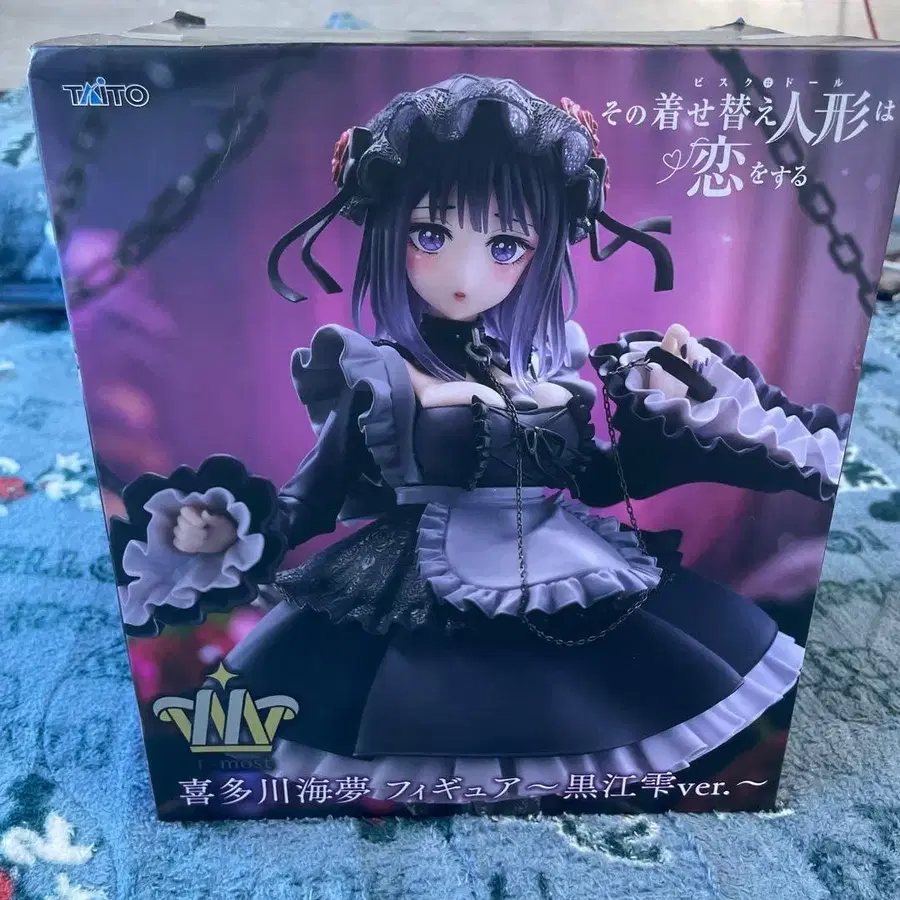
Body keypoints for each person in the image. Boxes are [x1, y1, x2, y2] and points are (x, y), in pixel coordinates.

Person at [113, 75, 848, 804]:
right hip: (420, 580)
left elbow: (598, 478)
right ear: (390, 230)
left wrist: (670, 411)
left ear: (540, 250)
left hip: (562, 563)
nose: (465, 275)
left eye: (505, 245)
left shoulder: (547, 361)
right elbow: (313, 494)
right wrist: (228, 533)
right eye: (430, 235)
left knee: (588, 726)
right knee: (415, 733)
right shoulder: (378, 371)